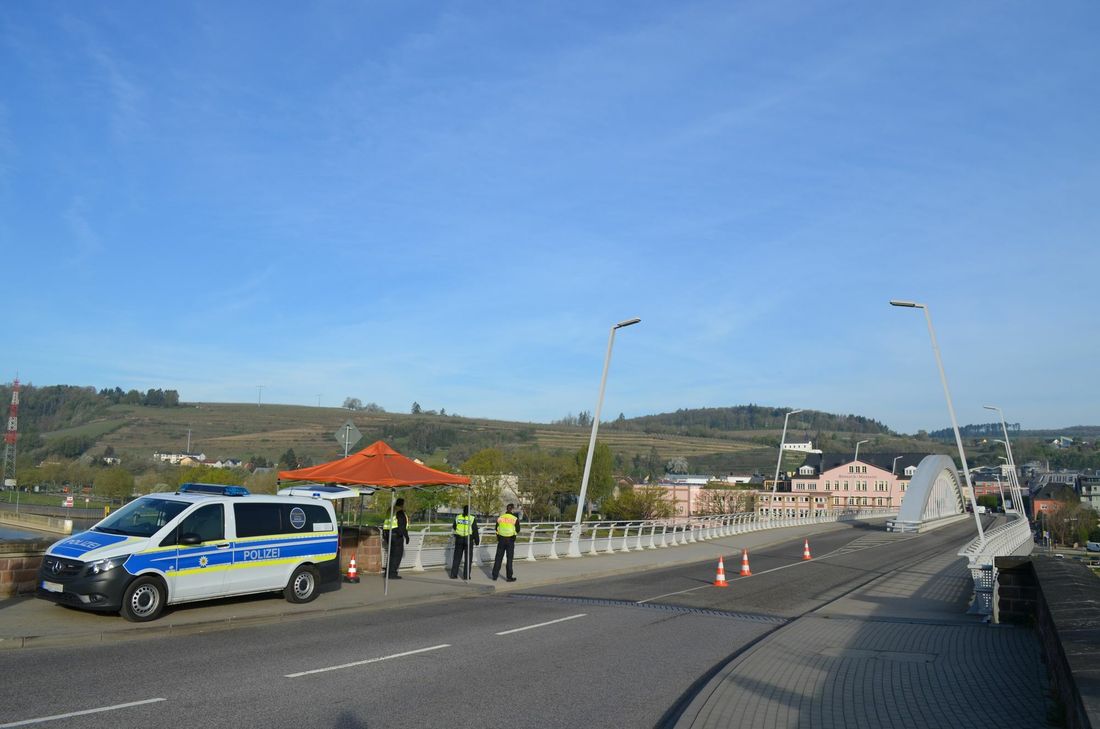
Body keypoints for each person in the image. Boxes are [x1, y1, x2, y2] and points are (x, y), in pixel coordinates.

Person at [449, 505, 479, 579]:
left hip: (459, 539)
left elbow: (454, 527)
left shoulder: (458, 517)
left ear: (463, 510)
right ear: (469, 511)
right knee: (468, 558)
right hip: (468, 539)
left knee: (457, 558)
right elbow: (475, 530)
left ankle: (453, 574)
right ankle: (466, 576)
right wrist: (477, 540)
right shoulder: (472, 518)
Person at [382, 497, 409, 579]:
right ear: (402, 504)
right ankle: (392, 574)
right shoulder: (399, 512)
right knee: (396, 555)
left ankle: (388, 573)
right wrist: (406, 536)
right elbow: (402, 525)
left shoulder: (391, 509)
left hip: (387, 533)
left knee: (391, 554)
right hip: (396, 534)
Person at [492, 503, 520, 582]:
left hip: (501, 540)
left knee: (498, 558)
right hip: (510, 540)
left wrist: (499, 537)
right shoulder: (514, 518)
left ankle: (494, 576)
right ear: (512, 509)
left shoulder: (500, 518)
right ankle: (509, 577)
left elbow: (496, 528)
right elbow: (518, 529)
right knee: (509, 559)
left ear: (506, 509)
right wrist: (513, 535)